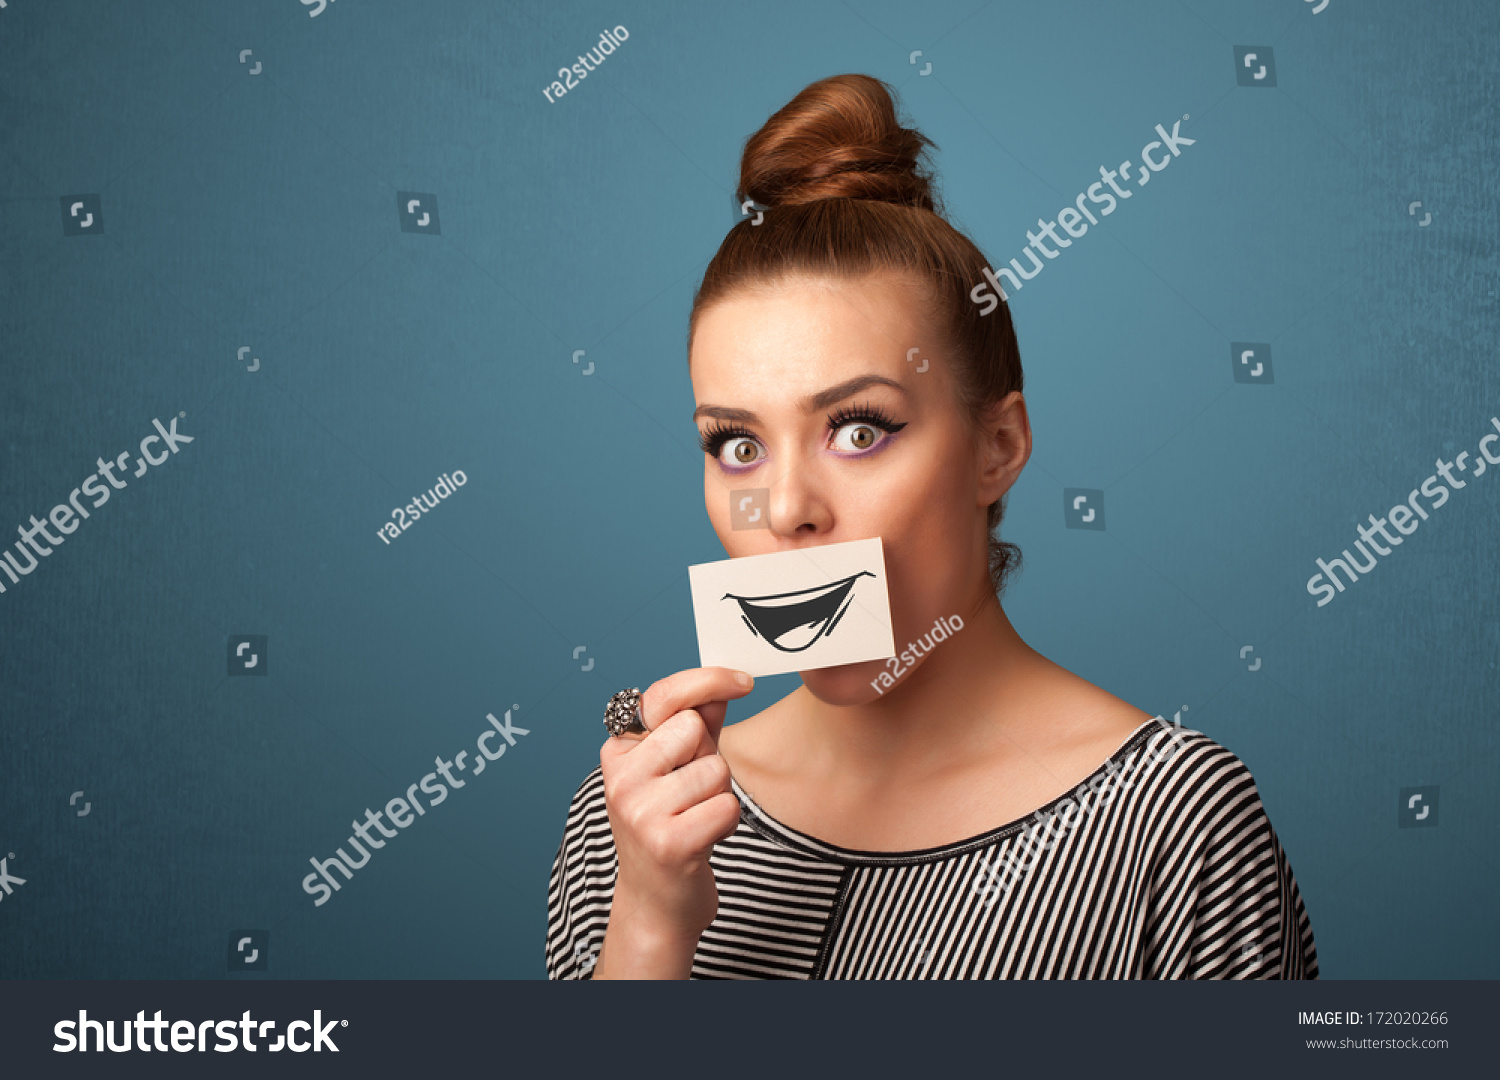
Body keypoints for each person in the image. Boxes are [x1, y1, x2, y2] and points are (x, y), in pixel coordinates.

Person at [546, 73, 1316, 980]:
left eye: (858, 430)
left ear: (997, 447)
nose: (786, 509)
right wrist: (648, 926)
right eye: (738, 446)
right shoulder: (632, 820)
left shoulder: (1174, 827)